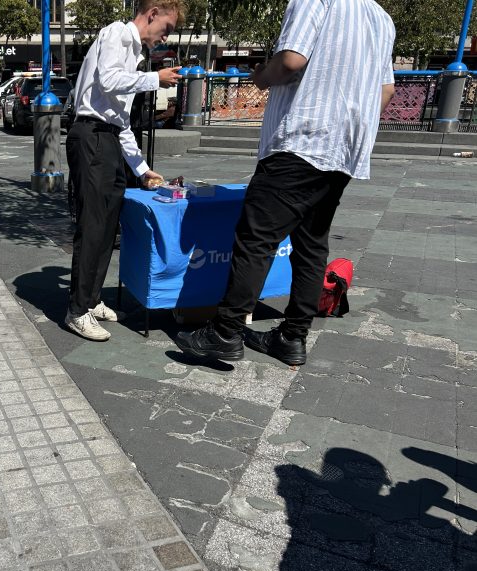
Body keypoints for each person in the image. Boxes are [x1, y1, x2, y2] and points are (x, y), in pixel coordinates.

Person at [175, 0, 395, 365]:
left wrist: (261, 75)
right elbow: (385, 92)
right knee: (311, 244)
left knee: (256, 237)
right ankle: (292, 337)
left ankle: (225, 332)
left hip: (302, 138)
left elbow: (292, 61)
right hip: (345, 148)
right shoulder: (380, 17)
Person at [64, 0, 183, 341]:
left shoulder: (135, 56)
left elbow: (122, 122)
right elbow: (109, 80)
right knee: (93, 224)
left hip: (109, 138)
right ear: (153, 13)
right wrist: (154, 79)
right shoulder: (116, 33)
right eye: (167, 29)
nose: (164, 38)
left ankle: (91, 299)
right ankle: (76, 310)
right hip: (91, 135)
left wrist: (143, 169)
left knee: (108, 225)